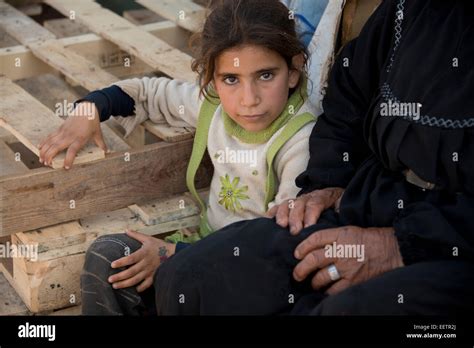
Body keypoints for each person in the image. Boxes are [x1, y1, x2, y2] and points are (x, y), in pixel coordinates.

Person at [152, 0, 474, 315]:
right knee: (189, 279)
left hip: (450, 245)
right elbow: (348, 99)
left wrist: (400, 245)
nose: (248, 100)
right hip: (368, 203)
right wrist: (326, 183)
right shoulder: (410, 9)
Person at [38, 0, 318, 314]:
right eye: (231, 79)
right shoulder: (214, 105)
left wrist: (175, 253)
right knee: (109, 256)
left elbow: (277, 245)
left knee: (180, 280)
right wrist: (90, 110)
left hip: (251, 276)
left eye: (265, 76)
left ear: (293, 71)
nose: (248, 99)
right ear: (212, 80)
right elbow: (147, 93)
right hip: (197, 249)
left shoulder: (301, 139)